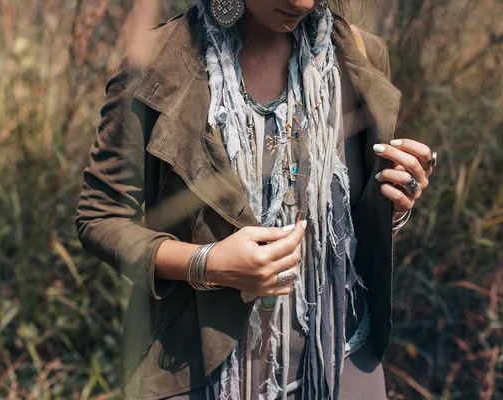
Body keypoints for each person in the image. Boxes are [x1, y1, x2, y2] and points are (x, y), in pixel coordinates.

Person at [76, 0, 437, 398]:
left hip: (342, 361)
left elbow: (350, 229)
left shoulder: (358, 55)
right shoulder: (158, 64)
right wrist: (207, 264)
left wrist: (394, 205)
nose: (302, 2)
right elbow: (99, 217)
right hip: (198, 369)